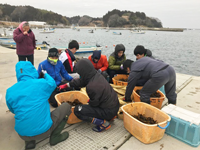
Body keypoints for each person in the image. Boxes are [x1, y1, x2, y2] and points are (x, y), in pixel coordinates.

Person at [6, 61, 72, 149]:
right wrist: (45, 74)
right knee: (67, 106)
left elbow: (13, 110)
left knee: (24, 114)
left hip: (22, 134)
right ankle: (55, 137)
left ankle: (29, 142)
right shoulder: (41, 83)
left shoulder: (10, 91)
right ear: (32, 71)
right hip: (44, 131)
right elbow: (52, 83)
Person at [58, 59, 119, 132]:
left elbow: (95, 104)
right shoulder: (96, 75)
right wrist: (67, 85)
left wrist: (90, 102)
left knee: (78, 110)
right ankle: (110, 116)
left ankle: (102, 123)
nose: (79, 74)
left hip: (108, 111)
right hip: (115, 107)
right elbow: (82, 81)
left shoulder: (91, 86)